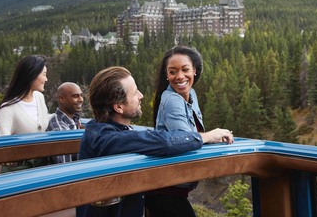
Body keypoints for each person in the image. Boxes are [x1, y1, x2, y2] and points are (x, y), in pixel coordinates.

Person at [76, 66, 233, 217]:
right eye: (134, 92)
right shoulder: (103, 138)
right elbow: (163, 142)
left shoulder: (116, 132)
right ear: (118, 107)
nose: (141, 95)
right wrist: (205, 137)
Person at [145, 46, 218, 217]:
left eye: (185, 70)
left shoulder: (190, 94)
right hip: (163, 189)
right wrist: (212, 135)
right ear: (166, 74)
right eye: (173, 71)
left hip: (172, 188)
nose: (179, 76)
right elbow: (186, 140)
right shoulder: (172, 100)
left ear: (195, 71)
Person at [0, 55, 50, 172]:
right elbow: (0, 145)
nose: (46, 79)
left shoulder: (39, 98)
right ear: (31, 75)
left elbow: (44, 120)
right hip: (17, 170)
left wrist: (67, 117)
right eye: (44, 75)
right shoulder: (7, 109)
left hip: (41, 166)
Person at [46, 82, 83, 164]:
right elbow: (64, 165)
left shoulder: (74, 120)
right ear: (62, 99)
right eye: (75, 96)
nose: (81, 99)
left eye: (81, 95)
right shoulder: (58, 128)